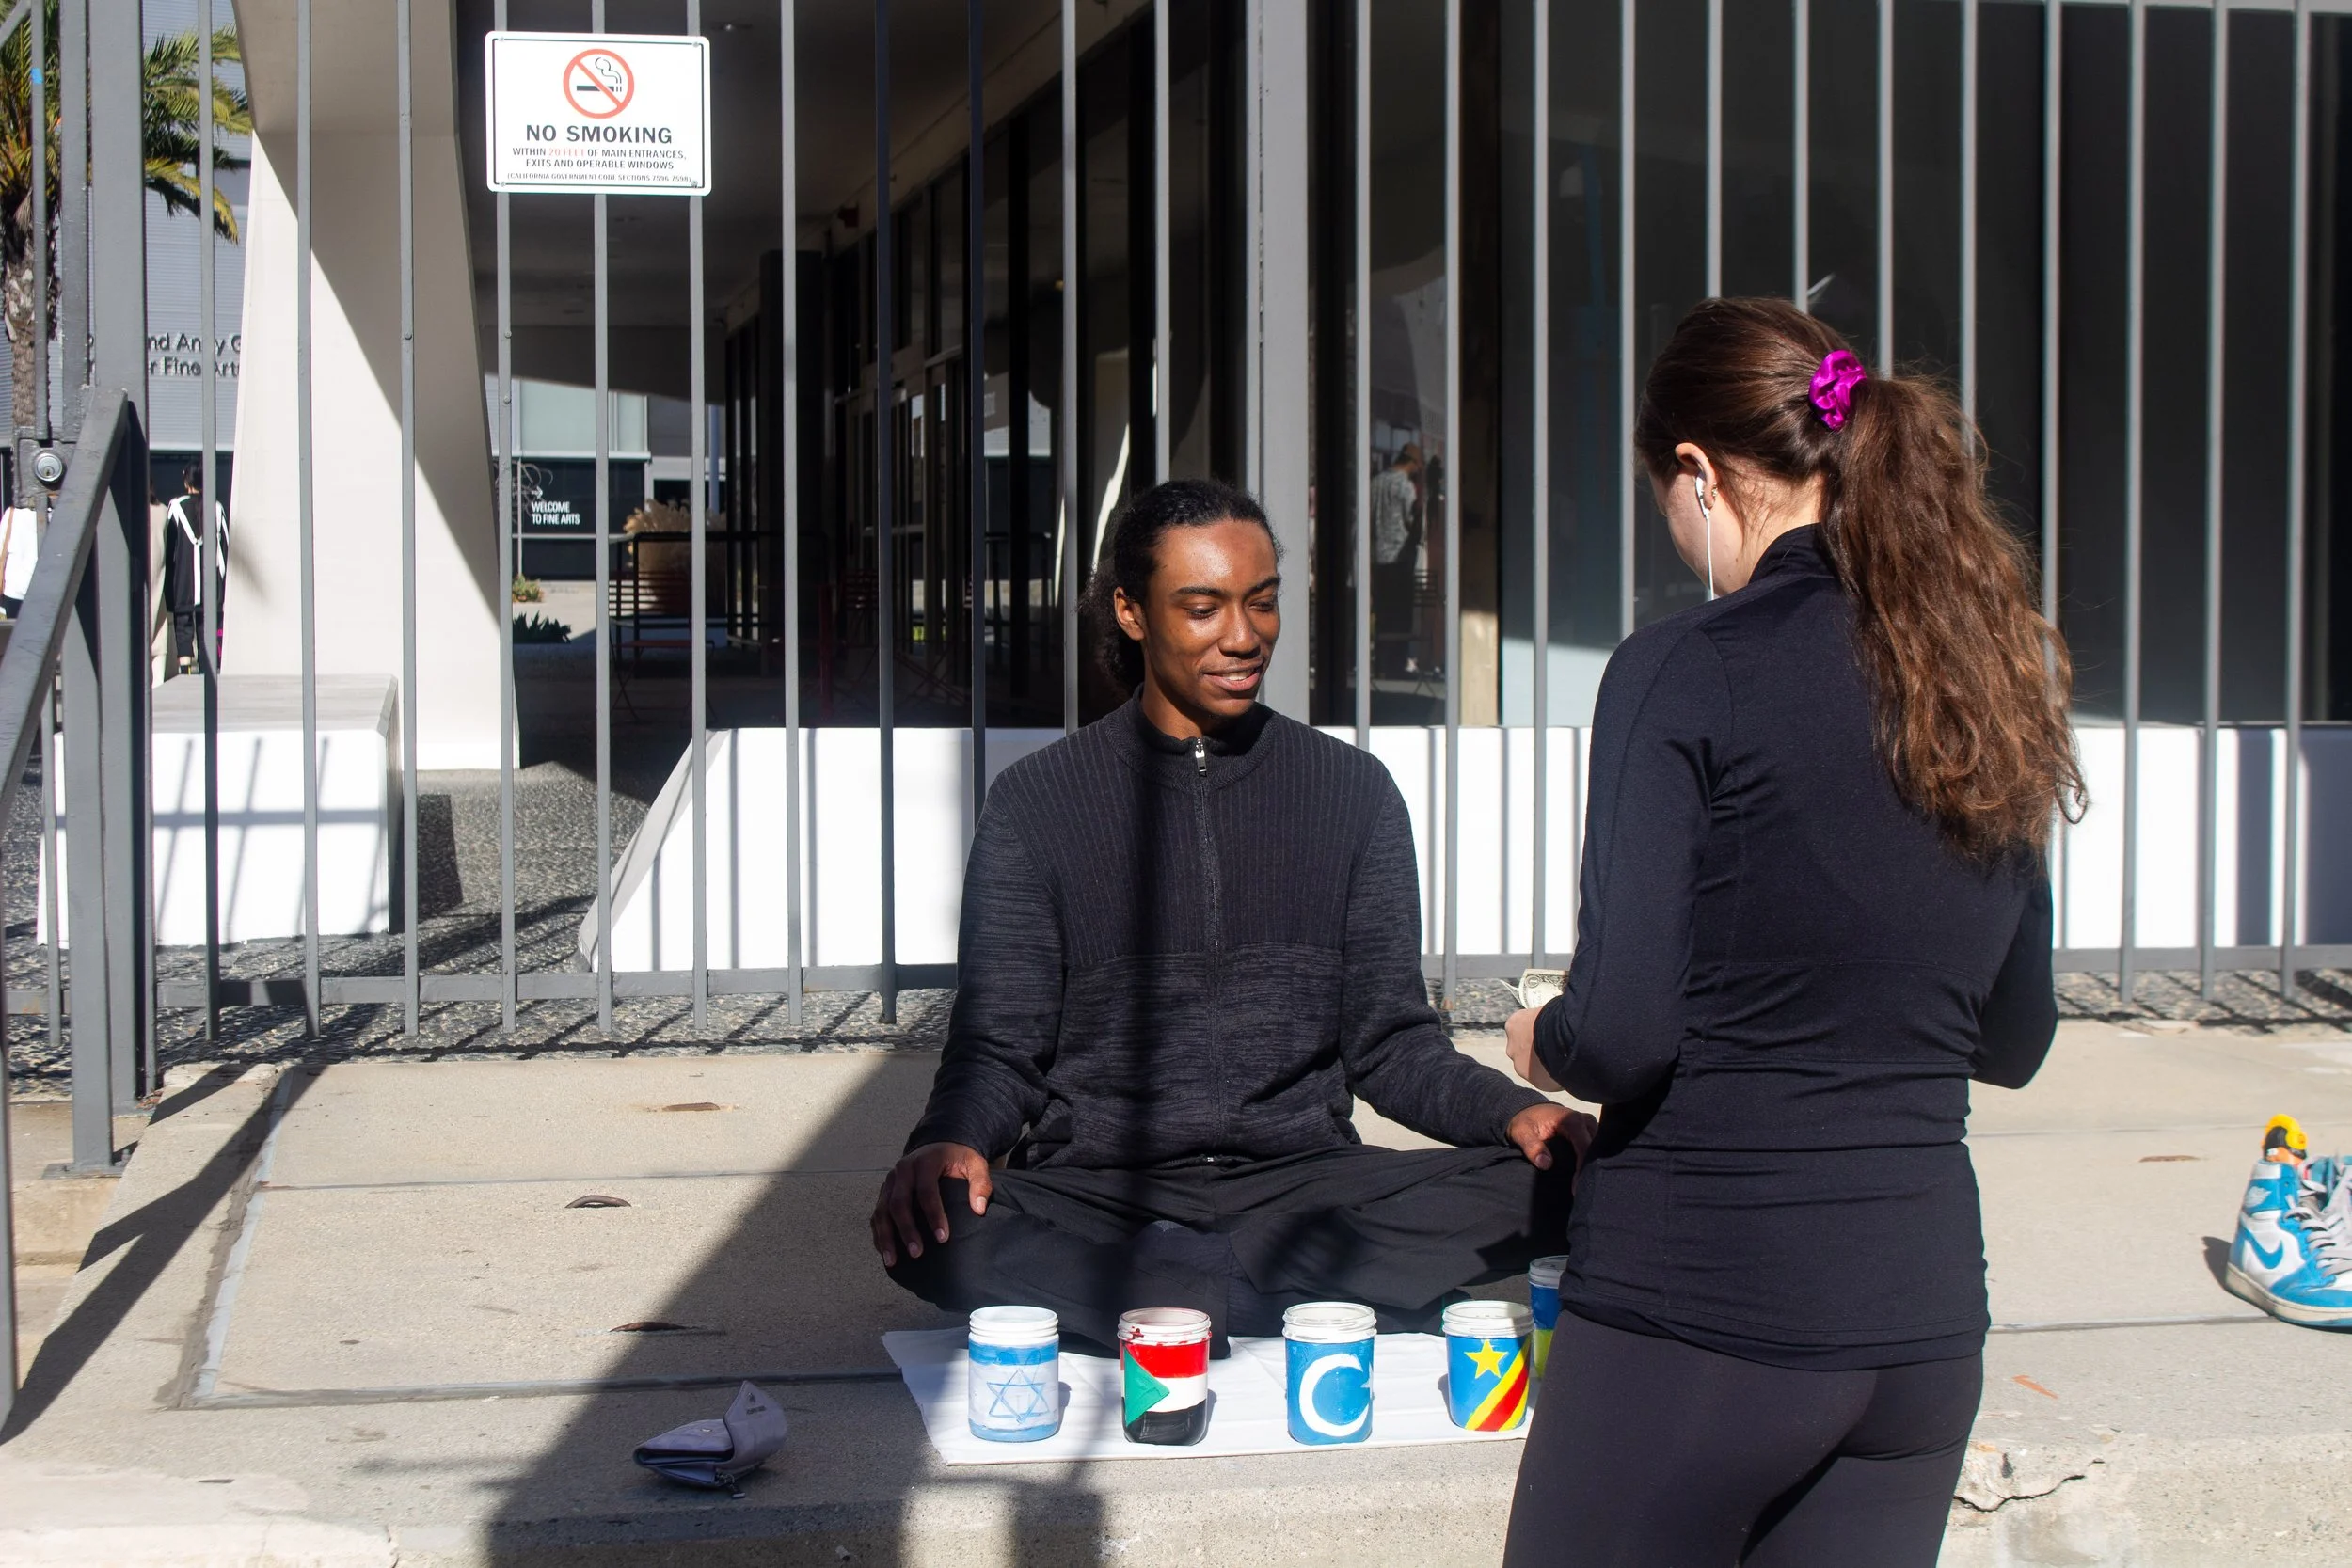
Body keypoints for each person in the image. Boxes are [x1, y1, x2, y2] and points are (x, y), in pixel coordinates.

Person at [1498, 300, 2075, 1567]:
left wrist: (1543, 1037)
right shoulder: (1980, 673)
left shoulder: (1683, 665)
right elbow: (2016, 1032)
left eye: (1665, 490)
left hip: (1704, 1306)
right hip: (1919, 1326)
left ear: (1697, 472)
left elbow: (1629, 1034)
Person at [872, 477, 1592, 1354]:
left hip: (1307, 1183)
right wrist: (949, 1140)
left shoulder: (1352, 794)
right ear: (1132, 613)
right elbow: (999, 1049)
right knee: (933, 1220)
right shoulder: (1037, 803)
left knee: (1569, 1179)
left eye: (1262, 603)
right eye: (1204, 608)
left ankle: (1166, 1297)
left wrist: (1512, 1113)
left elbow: (1392, 1044)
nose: (1244, 637)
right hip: (1101, 1189)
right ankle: (1295, 1290)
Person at [162, 465, 228, 675]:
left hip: (183, 580)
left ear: (186, 482)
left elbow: (169, 547)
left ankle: (185, 669)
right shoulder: (216, 508)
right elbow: (225, 548)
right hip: (210, 582)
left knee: (183, 626)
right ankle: (209, 668)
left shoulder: (175, 507)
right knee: (205, 625)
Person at [1368, 444, 1422, 675]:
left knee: (1383, 613)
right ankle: (1396, 665)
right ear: (1413, 463)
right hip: (1400, 560)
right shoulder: (1405, 486)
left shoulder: (1376, 483)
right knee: (1400, 616)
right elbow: (1411, 522)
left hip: (1379, 559)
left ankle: (1381, 663)